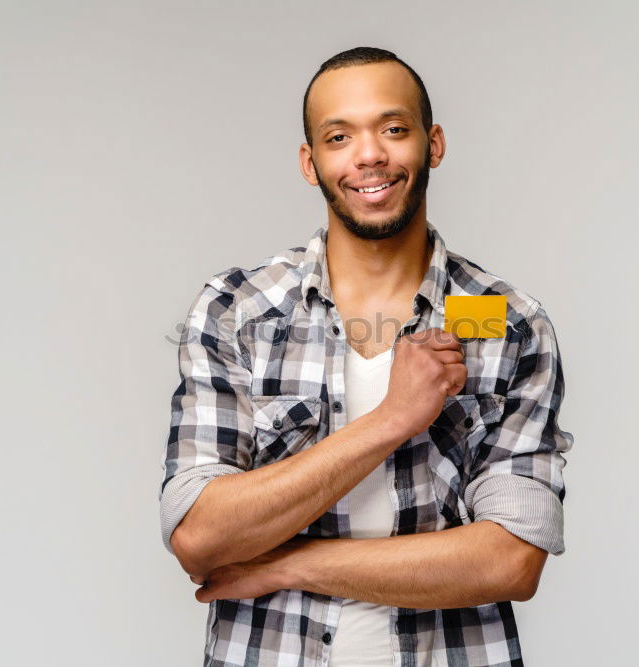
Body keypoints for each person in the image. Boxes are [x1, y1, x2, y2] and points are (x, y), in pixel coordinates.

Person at [159, 46, 574, 667]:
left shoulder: (510, 323)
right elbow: (201, 536)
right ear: (311, 162)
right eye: (338, 136)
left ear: (433, 144)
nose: (369, 154)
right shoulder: (236, 311)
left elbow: (511, 560)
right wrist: (392, 420)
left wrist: (288, 564)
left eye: (394, 129)